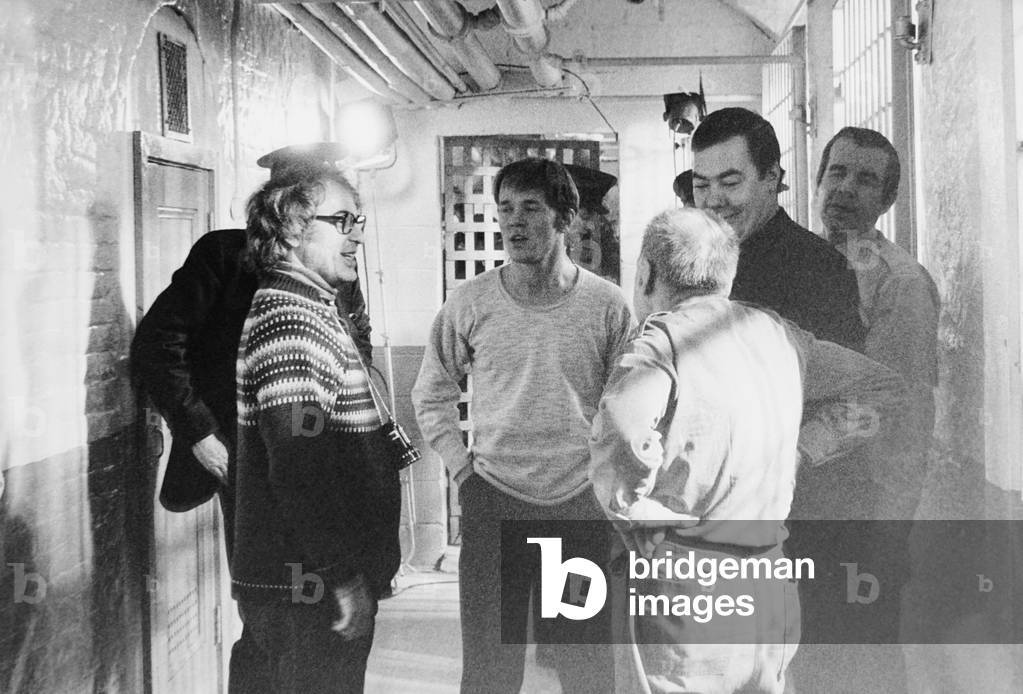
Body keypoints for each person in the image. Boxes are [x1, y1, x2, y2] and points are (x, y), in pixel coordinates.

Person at [589, 207, 907, 694]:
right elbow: (881, 386)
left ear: (647, 273)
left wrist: (637, 511)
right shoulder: (780, 336)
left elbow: (621, 435)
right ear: (727, 276)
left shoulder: (661, 343)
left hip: (684, 593)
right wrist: (803, 447)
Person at [130, 144, 373, 694]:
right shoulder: (223, 256)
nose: (350, 229)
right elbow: (156, 347)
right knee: (274, 611)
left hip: (298, 454)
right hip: (243, 456)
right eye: (335, 213)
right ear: (288, 213)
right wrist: (200, 434)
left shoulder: (334, 275)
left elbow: (359, 349)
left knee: (280, 621)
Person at [412, 157, 634, 694]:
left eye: (531, 208)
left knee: (585, 669)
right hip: (495, 502)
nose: (514, 222)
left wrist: (611, 485)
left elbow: (629, 406)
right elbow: (431, 393)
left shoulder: (607, 305)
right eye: (506, 208)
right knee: (490, 669)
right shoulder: (472, 301)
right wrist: (464, 472)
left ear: (566, 218)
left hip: (580, 504)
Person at [231, 160, 400, 693]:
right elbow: (299, 466)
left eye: (359, 222)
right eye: (343, 221)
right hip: (305, 587)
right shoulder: (292, 322)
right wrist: (341, 575)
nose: (356, 237)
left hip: (305, 582)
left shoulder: (310, 306)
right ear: (291, 229)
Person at [784, 127, 942, 694]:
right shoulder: (802, 264)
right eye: (838, 172)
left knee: (862, 662)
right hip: (808, 502)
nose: (846, 188)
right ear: (818, 177)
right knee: (808, 655)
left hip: (867, 507)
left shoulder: (897, 283)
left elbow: (891, 405)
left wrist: (795, 452)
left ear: (887, 200)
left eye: (866, 179)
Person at [691, 107, 866, 351]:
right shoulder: (693, 260)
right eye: (701, 185)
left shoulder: (820, 270)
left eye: (730, 183)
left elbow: (840, 382)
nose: (713, 200)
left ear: (771, 176)